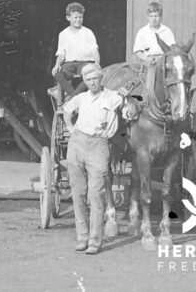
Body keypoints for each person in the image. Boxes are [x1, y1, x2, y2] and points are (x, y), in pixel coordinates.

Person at [62, 63, 125, 255]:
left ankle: (95, 241)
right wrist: (70, 126)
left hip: (99, 145)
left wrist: (126, 96)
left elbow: (129, 106)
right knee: (78, 193)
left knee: (96, 194)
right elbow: (66, 110)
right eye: (88, 80)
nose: (92, 82)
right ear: (85, 81)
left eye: (95, 78)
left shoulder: (113, 97)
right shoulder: (81, 98)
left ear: (100, 78)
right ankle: (82, 237)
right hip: (77, 144)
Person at [50, 2, 100, 101]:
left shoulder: (88, 32)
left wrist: (97, 63)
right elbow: (61, 54)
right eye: (75, 17)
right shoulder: (63, 34)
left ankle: (72, 99)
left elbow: (94, 50)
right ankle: (76, 97)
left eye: (80, 17)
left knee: (91, 74)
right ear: (68, 18)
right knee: (57, 73)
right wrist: (57, 65)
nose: (78, 20)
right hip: (69, 64)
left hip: (85, 63)